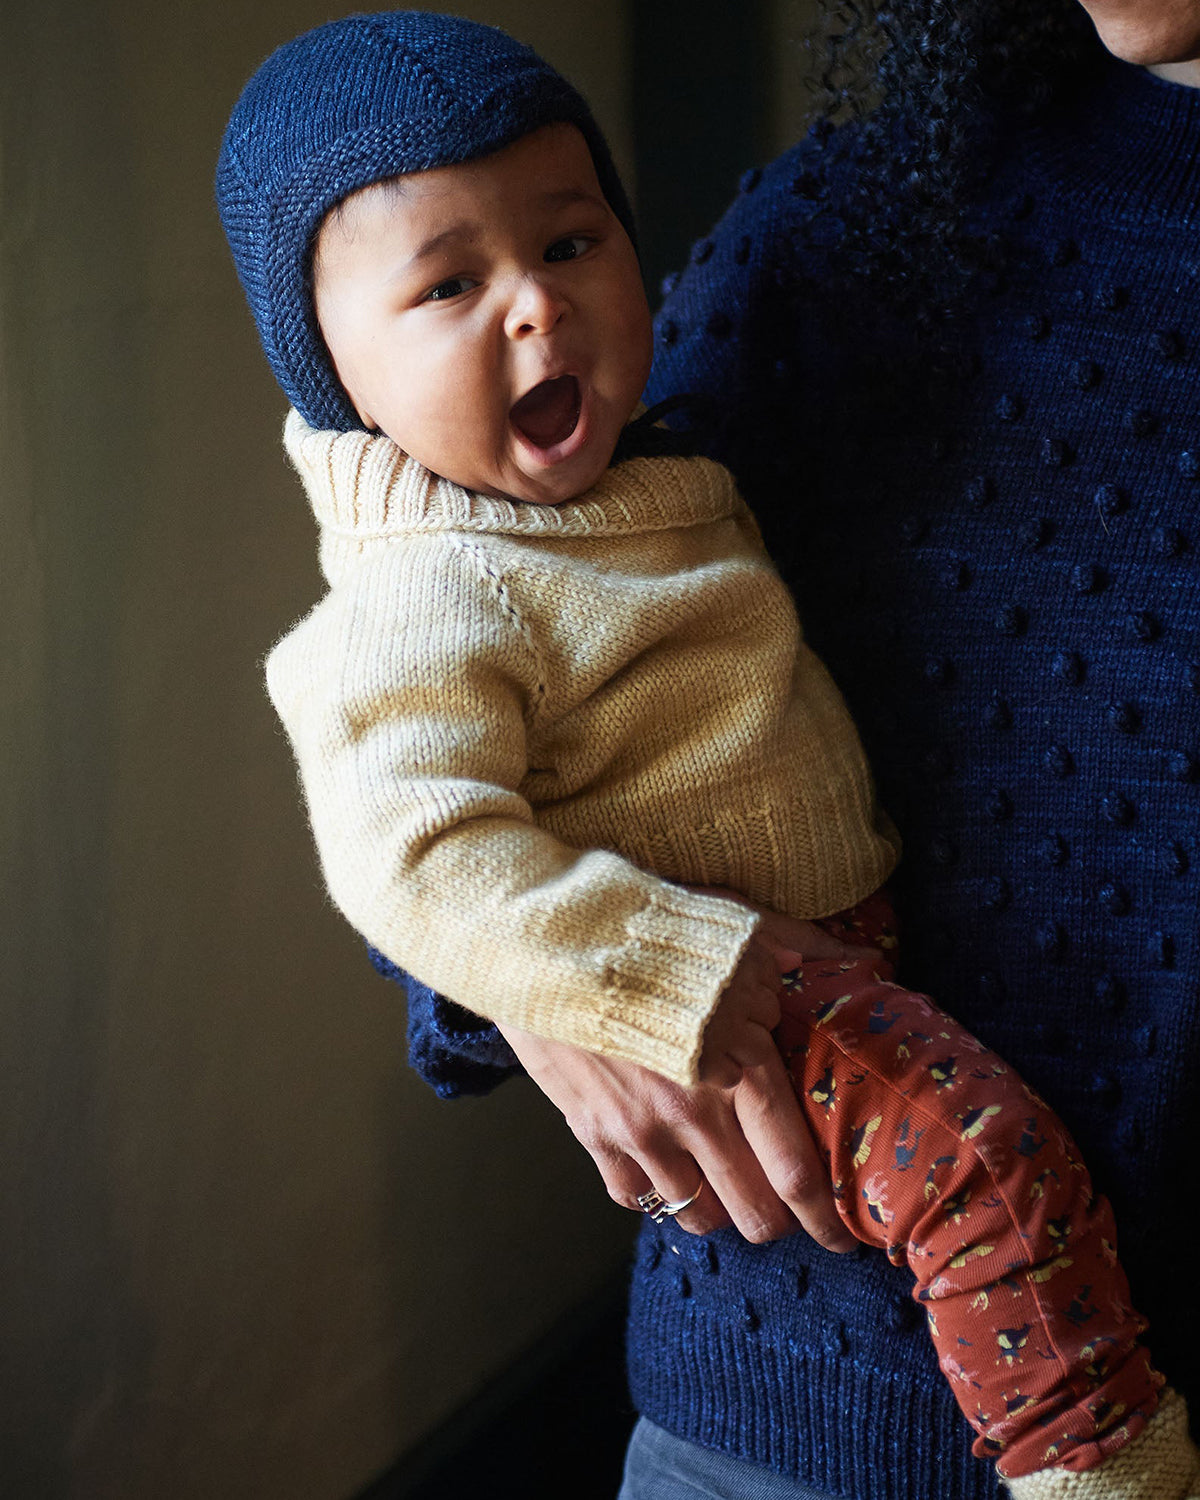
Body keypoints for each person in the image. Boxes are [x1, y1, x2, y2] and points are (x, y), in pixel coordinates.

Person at [215, 12, 1200, 1498]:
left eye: (566, 247)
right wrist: (567, 992)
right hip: (792, 1385)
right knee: (988, 1162)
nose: (537, 313)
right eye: (448, 283)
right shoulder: (867, 217)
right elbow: (418, 816)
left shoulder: (651, 473)